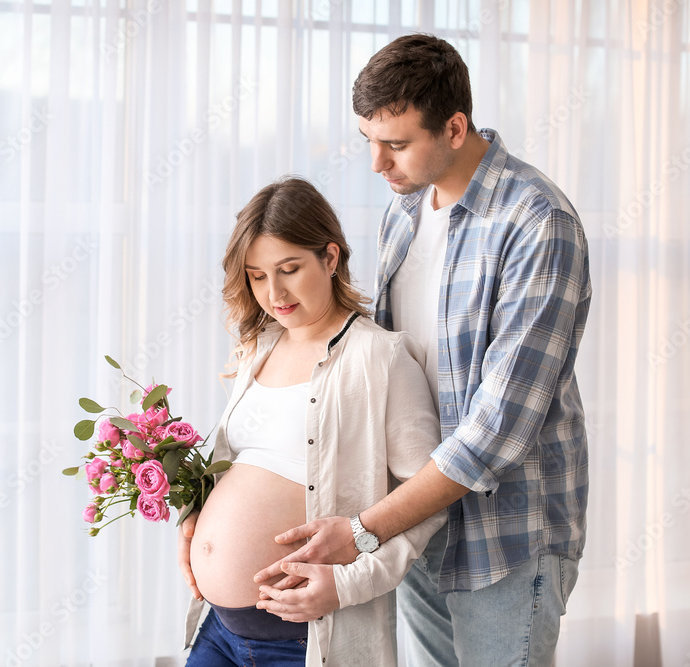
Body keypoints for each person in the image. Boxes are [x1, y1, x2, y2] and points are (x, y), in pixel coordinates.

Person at [251, 34, 593, 666]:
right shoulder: (404, 212)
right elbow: (380, 362)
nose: (378, 165)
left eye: (398, 144)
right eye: (369, 142)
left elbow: (497, 428)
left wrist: (363, 529)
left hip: (506, 533)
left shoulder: (537, 222)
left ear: (456, 127)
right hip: (418, 525)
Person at [179, 176, 447, 666]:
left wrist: (344, 586)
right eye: (257, 275)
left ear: (330, 257)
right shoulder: (258, 348)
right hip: (217, 630)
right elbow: (240, 469)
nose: (273, 292)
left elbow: (428, 504)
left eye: (288, 269)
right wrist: (194, 520)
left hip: (300, 642)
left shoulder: (379, 359)